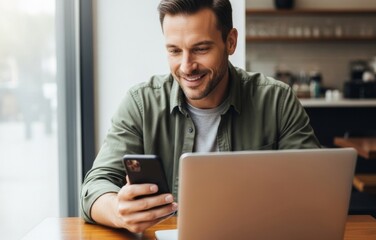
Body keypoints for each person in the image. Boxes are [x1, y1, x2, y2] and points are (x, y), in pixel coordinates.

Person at [81, 0, 321, 233]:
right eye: (175, 51)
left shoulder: (276, 101)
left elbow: (315, 186)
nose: (186, 66)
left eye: (200, 49)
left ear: (230, 42)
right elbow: (95, 186)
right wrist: (118, 211)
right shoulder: (141, 103)